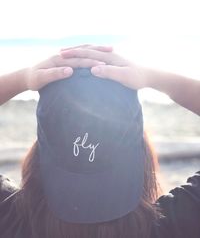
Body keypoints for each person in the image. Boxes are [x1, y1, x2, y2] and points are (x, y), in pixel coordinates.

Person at [0, 46, 199, 238]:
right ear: (141, 153)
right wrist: (152, 78)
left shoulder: (12, 220)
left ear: (39, 156)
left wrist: (24, 79)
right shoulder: (171, 224)